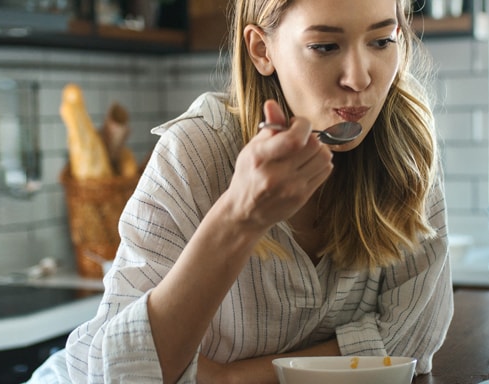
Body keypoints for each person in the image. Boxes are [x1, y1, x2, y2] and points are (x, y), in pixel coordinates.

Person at [34, 0, 454, 382]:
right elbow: (118, 372)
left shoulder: (405, 153)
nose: (359, 77)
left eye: (382, 40)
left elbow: (413, 339)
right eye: (326, 46)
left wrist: (229, 378)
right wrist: (239, 217)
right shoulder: (195, 152)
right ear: (261, 50)